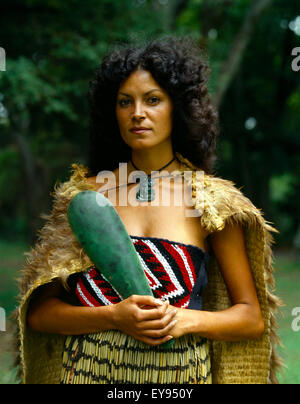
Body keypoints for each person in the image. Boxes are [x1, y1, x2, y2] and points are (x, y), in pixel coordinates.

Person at [16, 35, 282, 384]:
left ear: (179, 108)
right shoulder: (85, 198)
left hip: (179, 383)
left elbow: (250, 318)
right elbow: (40, 314)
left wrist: (184, 319)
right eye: (125, 102)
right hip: (87, 374)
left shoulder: (213, 204)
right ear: (112, 112)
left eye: (153, 100)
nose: (137, 113)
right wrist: (113, 316)